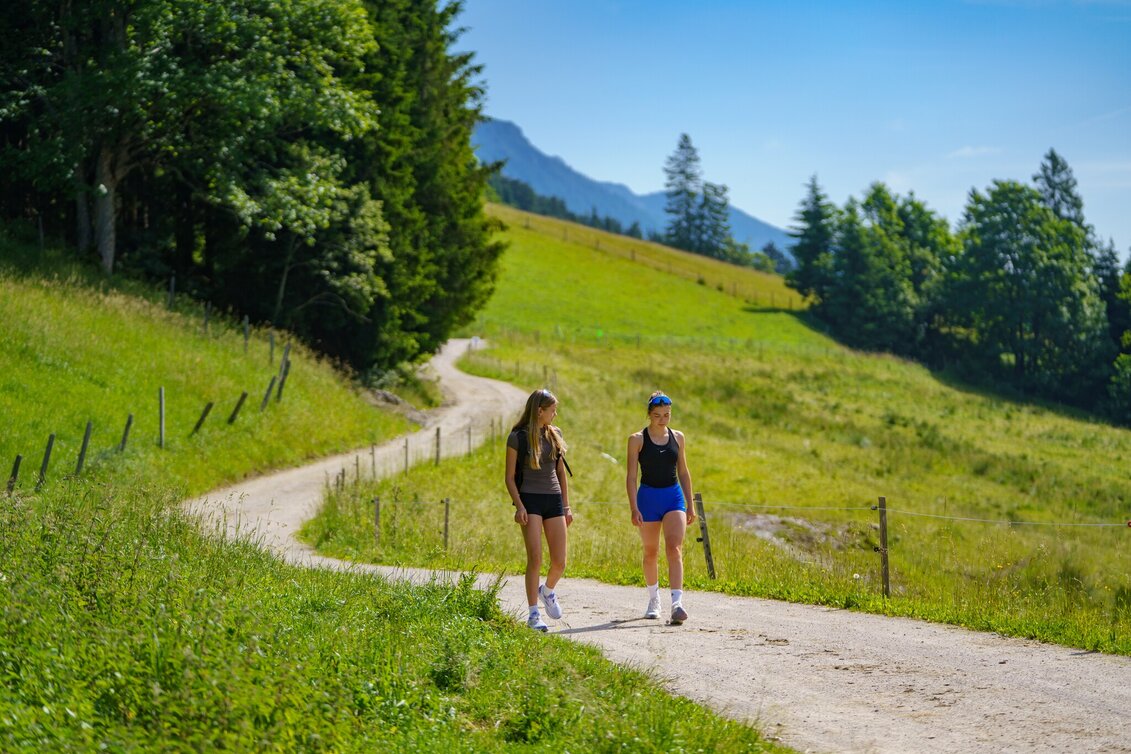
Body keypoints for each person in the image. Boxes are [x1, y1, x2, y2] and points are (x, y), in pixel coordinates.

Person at [505, 388, 573, 632]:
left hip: (553, 499)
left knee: (560, 562)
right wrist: (519, 506)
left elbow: (560, 473)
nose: (555, 414)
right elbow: (510, 477)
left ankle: (547, 591)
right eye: (552, 410)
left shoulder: (555, 434)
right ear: (539, 411)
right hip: (530, 500)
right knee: (535, 558)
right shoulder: (518, 437)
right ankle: (534, 615)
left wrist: (566, 506)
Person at [625, 391, 695, 625]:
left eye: (666, 415)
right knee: (651, 552)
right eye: (657, 415)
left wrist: (690, 505)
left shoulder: (678, 437)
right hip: (648, 499)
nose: (663, 419)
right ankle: (654, 599)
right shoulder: (637, 439)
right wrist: (634, 507)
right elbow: (631, 477)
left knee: (674, 548)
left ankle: (677, 604)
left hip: (673, 497)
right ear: (649, 415)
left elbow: (684, 472)